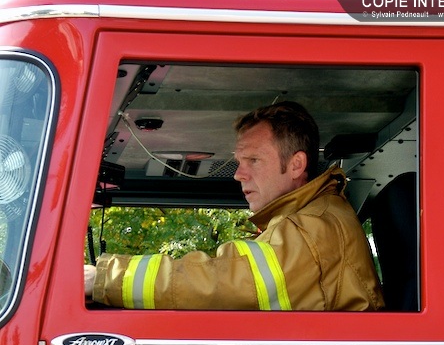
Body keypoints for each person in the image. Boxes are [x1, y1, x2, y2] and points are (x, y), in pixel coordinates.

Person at [84, 101, 384, 311]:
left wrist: (104, 278)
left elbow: (225, 282)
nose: (239, 174)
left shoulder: (311, 228)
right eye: (239, 161)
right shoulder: (310, 218)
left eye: (253, 160)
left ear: (296, 165)